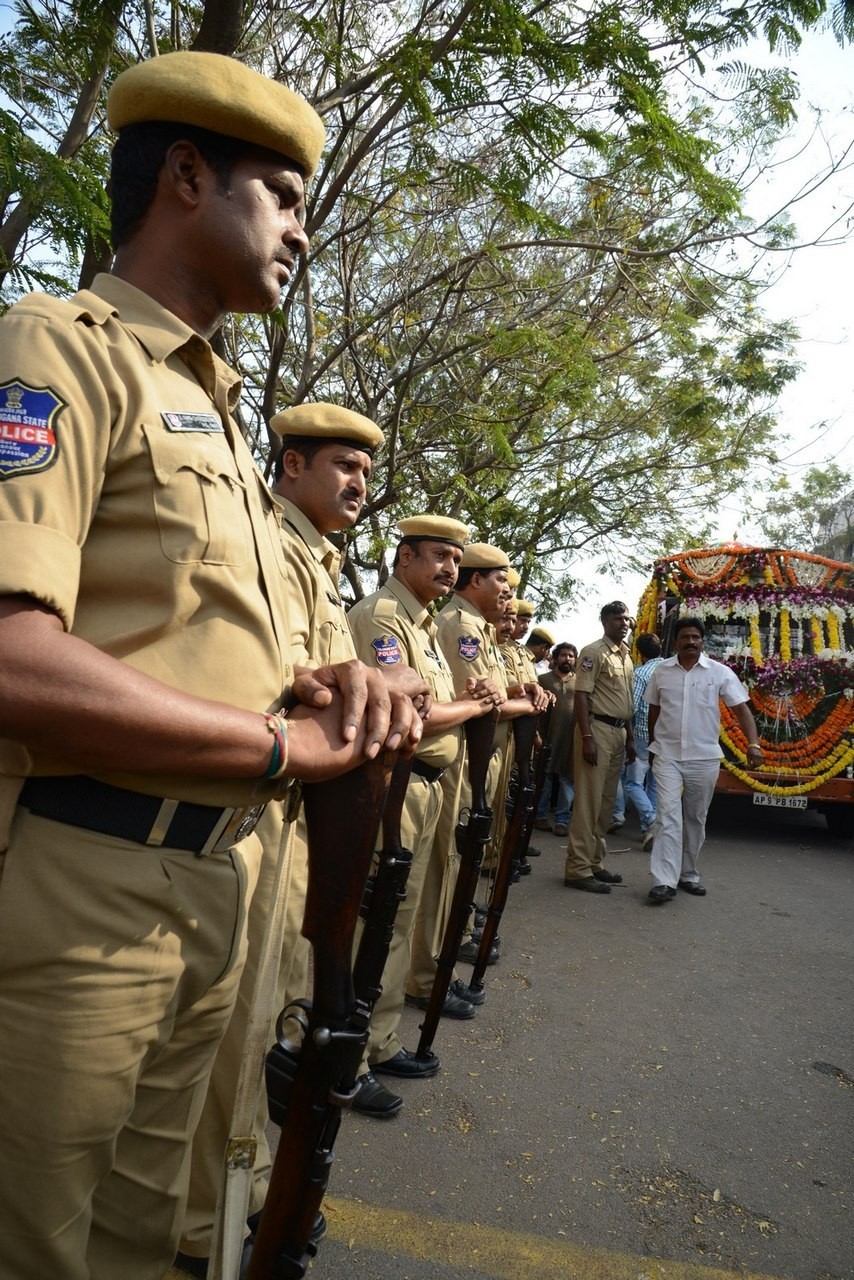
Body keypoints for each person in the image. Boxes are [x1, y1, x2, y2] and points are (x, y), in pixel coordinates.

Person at [0, 52, 424, 1280]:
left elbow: (226, 650)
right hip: (82, 886)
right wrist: (280, 746)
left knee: (141, 1242)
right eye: (282, 196)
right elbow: (15, 655)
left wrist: (331, 684)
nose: (301, 228)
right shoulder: (56, 347)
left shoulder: (219, 413)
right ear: (186, 175)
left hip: (214, 881)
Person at [176, 401, 388, 1271]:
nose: (358, 483)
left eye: (366, 472)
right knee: (235, 1032)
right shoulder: (272, 539)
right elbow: (298, 685)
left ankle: (244, 1188)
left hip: (299, 808)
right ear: (291, 465)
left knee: (266, 1015)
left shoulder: (318, 559)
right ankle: (212, 1217)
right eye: (343, 465)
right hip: (252, 800)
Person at [347, 515, 503, 1116]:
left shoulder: (423, 624)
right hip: (395, 785)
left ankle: (379, 1041)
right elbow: (406, 712)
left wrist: (459, 706)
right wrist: (472, 706)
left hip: (427, 784)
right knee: (375, 920)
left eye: (456, 560)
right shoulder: (383, 616)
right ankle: (349, 1058)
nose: (450, 568)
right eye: (439, 555)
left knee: (400, 918)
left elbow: (434, 704)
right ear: (404, 557)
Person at [433, 544, 547, 964]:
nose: (507, 592)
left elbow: (494, 693)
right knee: (452, 859)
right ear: (477, 579)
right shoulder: (461, 626)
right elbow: (481, 704)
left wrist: (519, 690)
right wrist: (526, 704)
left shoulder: (478, 627)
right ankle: (444, 945)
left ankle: (459, 926)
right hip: (463, 756)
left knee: (467, 852)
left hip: (486, 754)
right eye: (501, 580)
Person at [644, 616, 763, 903]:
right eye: (685, 637)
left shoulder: (720, 673)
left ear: (702, 641)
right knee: (667, 817)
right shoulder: (661, 671)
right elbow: (654, 710)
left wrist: (753, 744)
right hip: (667, 755)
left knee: (695, 818)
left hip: (704, 757)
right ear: (675, 642)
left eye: (696, 637)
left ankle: (688, 874)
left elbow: (741, 709)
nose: (691, 642)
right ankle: (664, 881)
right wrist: (652, 745)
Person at [564, 601, 635, 893]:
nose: (624, 623)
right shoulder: (593, 652)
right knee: (588, 802)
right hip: (597, 730)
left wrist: (630, 737)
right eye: (618, 619)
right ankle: (577, 869)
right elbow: (581, 696)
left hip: (618, 732)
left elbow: (626, 701)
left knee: (606, 804)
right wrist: (587, 737)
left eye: (627, 619)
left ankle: (594, 862)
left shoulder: (626, 655)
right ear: (605, 621)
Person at [624, 632, 663, 852]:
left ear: (639, 653)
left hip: (642, 735)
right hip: (664, 736)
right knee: (654, 784)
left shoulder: (641, 674)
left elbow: (632, 708)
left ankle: (650, 820)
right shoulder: (669, 669)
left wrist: (628, 736)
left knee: (633, 783)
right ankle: (648, 831)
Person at [535, 642, 577, 836]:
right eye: (563, 655)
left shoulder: (580, 682)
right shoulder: (543, 680)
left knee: (567, 780)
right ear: (556, 657)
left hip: (571, 740)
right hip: (548, 736)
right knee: (545, 778)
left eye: (570, 656)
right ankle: (540, 816)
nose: (567, 659)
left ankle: (562, 820)